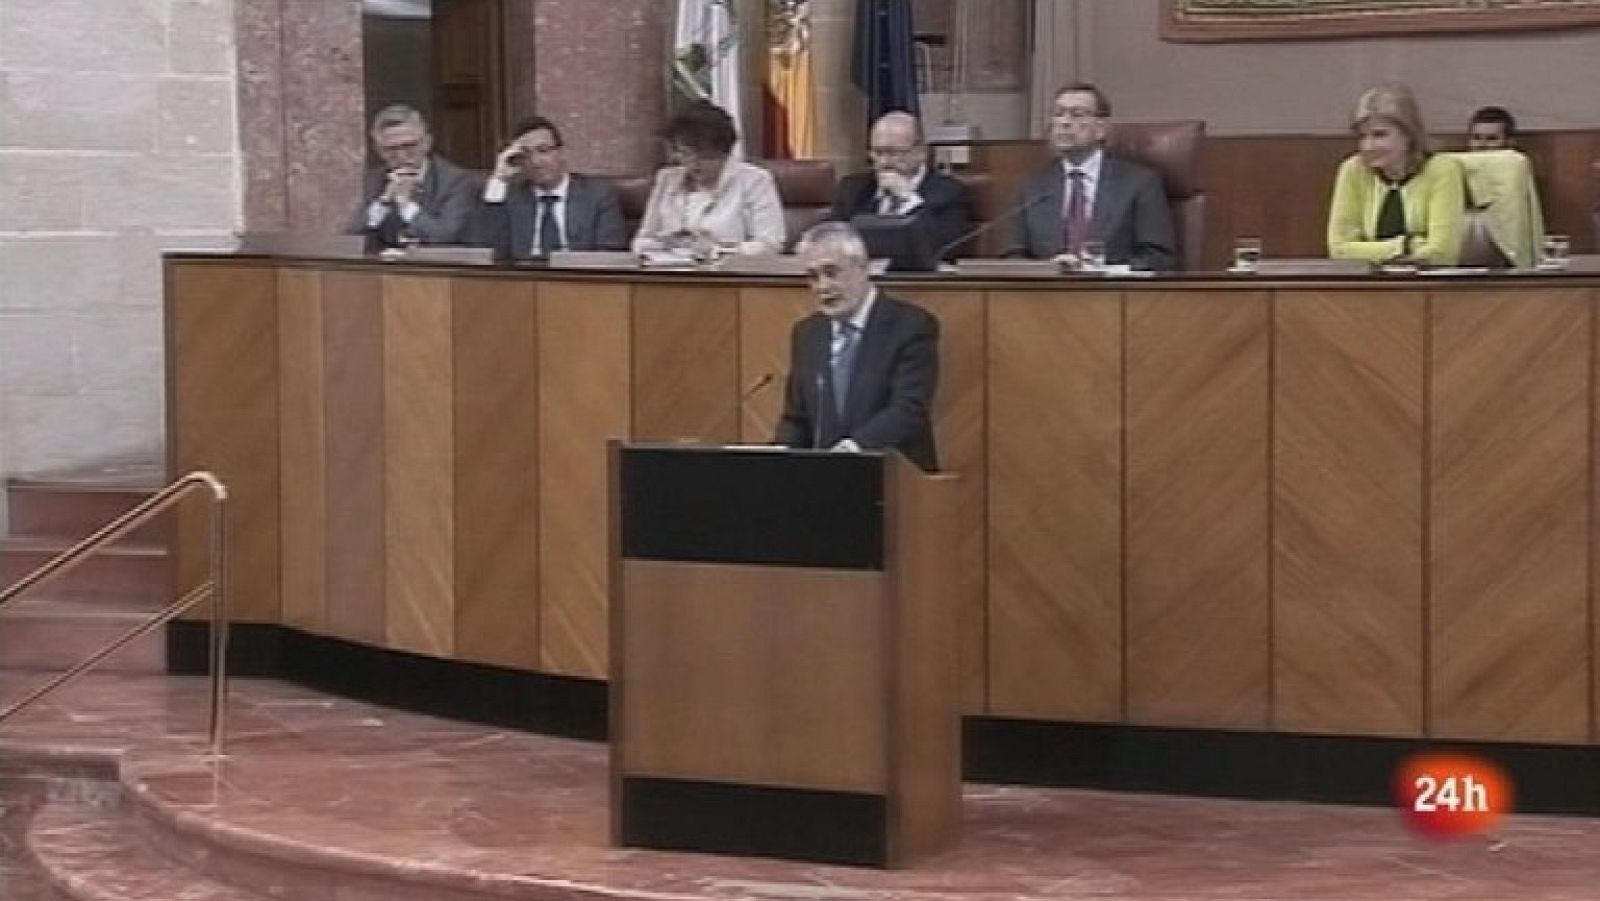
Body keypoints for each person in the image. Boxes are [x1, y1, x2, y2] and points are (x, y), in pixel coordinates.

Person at [773, 222, 939, 471]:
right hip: (825, 479)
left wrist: (853, 449)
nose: (822, 287)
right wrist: (778, 454)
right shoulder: (808, 333)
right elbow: (797, 417)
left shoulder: (911, 325)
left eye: (832, 272)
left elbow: (908, 409)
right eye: (813, 276)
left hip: (895, 477)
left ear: (862, 268)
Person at [1006, 83, 1175, 270]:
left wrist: (1103, 271)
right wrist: (1047, 268)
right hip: (1048, 294)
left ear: (1101, 128)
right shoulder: (1033, 185)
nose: (1064, 122)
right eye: (1058, 114)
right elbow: (1013, 256)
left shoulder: (1139, 183)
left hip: (1114, 293)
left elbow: (1158, 258)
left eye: (1077, 114)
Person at [1327, 84, 1465, 266]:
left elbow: (1442, 253)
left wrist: (1368, 250)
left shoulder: (1441, 169)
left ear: (1408, 134)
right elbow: (1339, 249)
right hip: (1369, 284)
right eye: (1362, 136)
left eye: (1379, 135)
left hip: (1428, 286)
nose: (1368, 146)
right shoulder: (1353, 170)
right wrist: (1406, 246)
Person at [632, 102, 785, 255]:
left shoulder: (755, 180)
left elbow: (770, 245)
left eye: (705, 156)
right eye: (685, 154)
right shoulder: (667, 179)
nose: (693, 163)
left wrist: (716, 252)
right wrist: (661, 248)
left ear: (725, 153)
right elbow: (642, 240)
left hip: (730, 273)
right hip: (672, 272)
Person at [473, 115, 627, 260]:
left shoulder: (597, 195)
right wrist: (499, 178)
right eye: (525, 154)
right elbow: (487, 250)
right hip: (524, 281)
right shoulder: (511, 196)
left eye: (543, 150)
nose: (536, 162)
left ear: (561, 153)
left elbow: (610, 255)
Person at [830, 110, 974, 259]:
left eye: (894, 153)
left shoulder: (950, 192)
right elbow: (829, 238)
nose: (884, 162)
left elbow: (944, 248)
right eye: (878, 153)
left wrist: (908, 199)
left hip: (917, 280)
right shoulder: (853, 189)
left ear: (921, 152)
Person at [346, 104, 479, 247]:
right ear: (379, 151)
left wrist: (405, 204)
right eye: (391, 149)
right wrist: (383, 203)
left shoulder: (456, 181)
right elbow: (352, 240)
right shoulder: (376, 179)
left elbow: (444, 237)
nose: (401, 156)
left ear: (427, 143)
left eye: (409, 146)